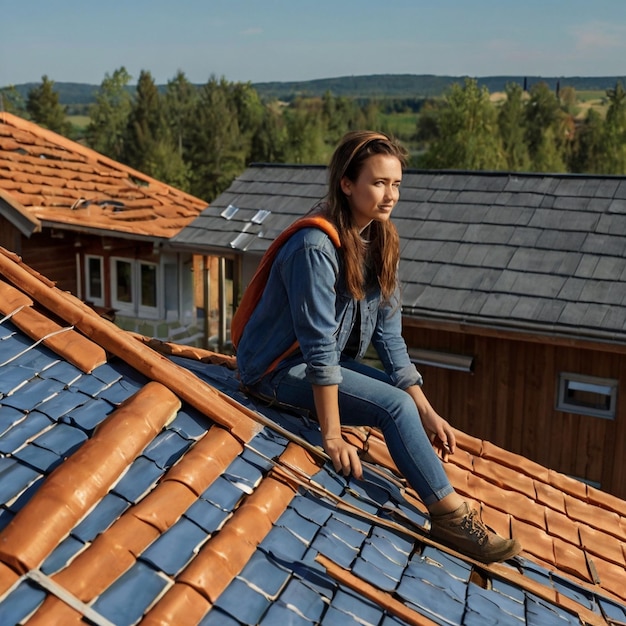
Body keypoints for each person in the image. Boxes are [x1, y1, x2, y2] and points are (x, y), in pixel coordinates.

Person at [234, 130, 521, 563]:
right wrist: (332, 436)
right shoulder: (314, 246)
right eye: (379, 183)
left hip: (323, 364)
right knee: (392, 406)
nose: (390, 195)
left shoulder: (381, 242)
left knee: (402, 400)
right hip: (274, 370)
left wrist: (427, 410)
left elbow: (389, 336)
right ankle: (452, 519)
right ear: (347, 184)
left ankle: (445, 498)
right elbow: (317, 346)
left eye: (397, 184)